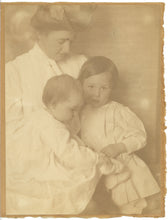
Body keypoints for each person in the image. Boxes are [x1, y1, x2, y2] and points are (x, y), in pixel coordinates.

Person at [6, 75, 125, 215]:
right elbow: (70, 153)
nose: (75, 115)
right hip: (33, 166)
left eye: (78, 110)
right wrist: (96, 158)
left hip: (18, 163)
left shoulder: (40, 115)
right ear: (53, 105)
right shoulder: (52, 127)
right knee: (74, 182)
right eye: (72, 109)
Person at [78, 56, 160, 214]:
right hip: (96, 164)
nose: (97, 93)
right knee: (102, 201)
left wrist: (119, 147)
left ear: (112, 88)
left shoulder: (118, 110)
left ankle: (140, 205)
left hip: (120, 161)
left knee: (129, 199)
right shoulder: (79, 111)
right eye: (91, 86)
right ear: (81, 84)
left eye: (104, 88)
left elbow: (139, 135)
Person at [5, 5, 96, 136]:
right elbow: (11, 129)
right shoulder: (14, 71)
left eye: (71, 42)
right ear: (40, 35)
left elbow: (95, 112)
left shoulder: (81, 63)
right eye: (61, 41)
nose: (67, 49)